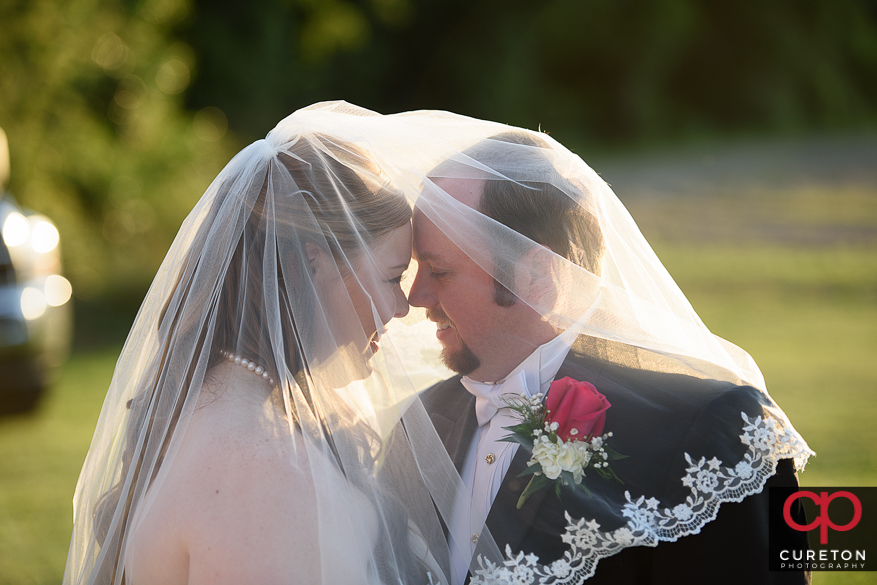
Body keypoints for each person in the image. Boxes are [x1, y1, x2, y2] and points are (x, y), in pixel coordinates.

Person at [63, 103, 469, 585]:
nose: (402, 308)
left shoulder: (227, 406)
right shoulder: (259, 474)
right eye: (391, 277)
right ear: (315, 264)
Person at [405, 128, 814, 584]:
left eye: (439, 271)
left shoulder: (713, 429)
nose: (415, 296)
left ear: (537, 275)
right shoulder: (423, 422)